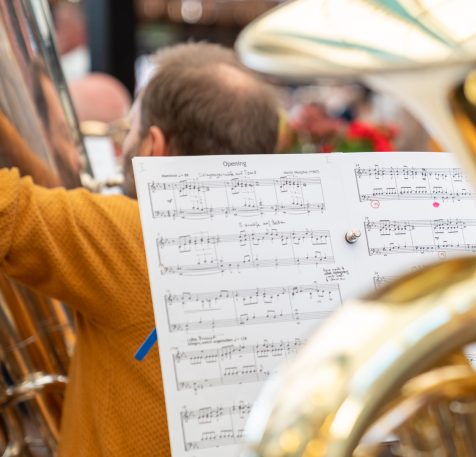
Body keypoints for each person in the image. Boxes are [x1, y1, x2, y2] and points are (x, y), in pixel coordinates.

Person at [0, 42, 280, 456]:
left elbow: (9, 207)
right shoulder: (301, 246)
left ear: (154, 144)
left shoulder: (138, 237)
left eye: (127, 130)